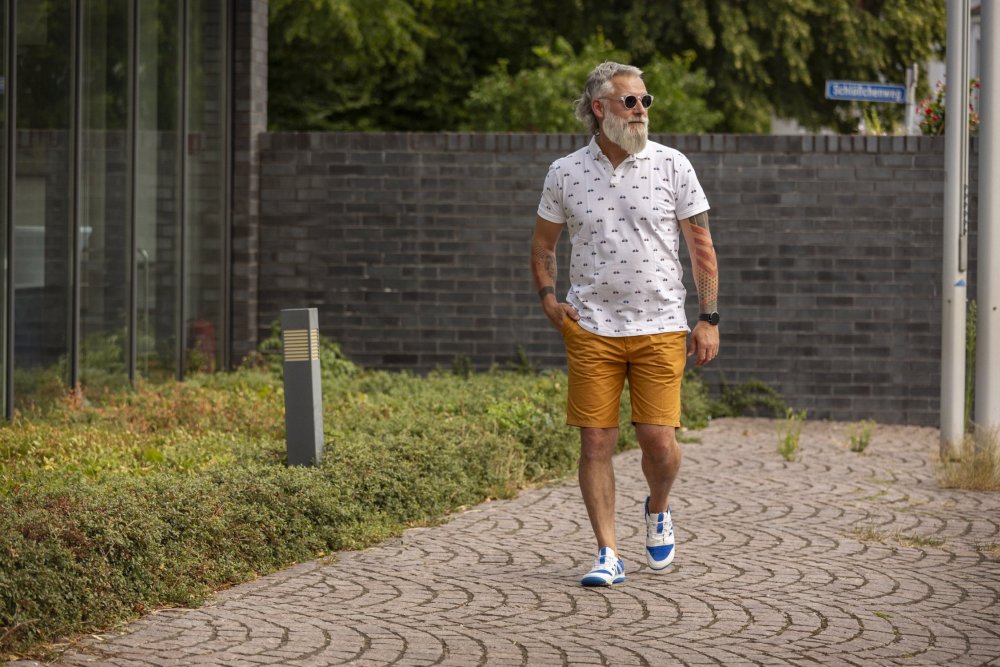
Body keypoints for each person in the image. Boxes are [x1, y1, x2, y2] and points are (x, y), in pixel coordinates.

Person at [530, 61, 720, 587]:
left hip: (661, 324)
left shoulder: (672, 165)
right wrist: (549, 300)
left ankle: (658, 506)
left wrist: (708, 318)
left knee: (659, 441)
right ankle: (608, 552)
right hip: (591, 327)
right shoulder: (565, 173)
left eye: (645, 101)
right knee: (595, 443)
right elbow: (543, 245)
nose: (642, 111)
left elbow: (701, 248)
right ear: (600, 109)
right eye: (630, 102)